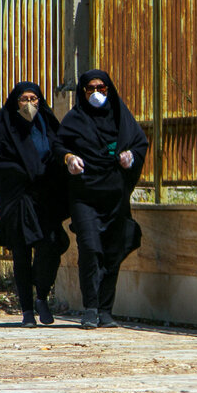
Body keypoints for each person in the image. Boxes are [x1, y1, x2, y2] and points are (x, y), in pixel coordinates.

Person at [54, 69, 149, 329]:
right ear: (82, 92)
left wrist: (131, 158)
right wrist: (69, 158)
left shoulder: (121, 116)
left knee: (111, 252)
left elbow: (140, 143)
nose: (96, 94)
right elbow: (59, 146)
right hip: (84, 196)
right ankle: (91, 307)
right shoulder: (74, 120)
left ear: (109, 89)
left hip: (115, 197)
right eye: (90, 89)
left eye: (102, 88)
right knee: (90, 249)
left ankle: (106, 310)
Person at [0, 81, 70, 327]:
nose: (30, 104)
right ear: (15, 101)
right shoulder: (3, 125)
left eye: (34, 99)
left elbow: (58, 148)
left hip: (45, 197)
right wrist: (24, 173)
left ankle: (42, 294)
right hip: (19, 198)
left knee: (53, 243)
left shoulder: (47, 121)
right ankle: (27, 311)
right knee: (21, 254)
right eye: (25, 99)